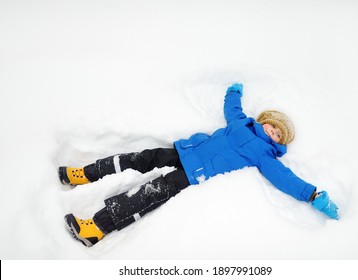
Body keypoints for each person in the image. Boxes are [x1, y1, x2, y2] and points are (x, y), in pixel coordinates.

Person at [59, 83, 339, 247]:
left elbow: (284, 178)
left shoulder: (264, 154)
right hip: (184, 151)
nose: (273, 132)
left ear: (279, 143)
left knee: (148, 194)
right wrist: (234, 90)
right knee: (138, 158)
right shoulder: (241, 122)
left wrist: (313, 195)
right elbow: (232, 109)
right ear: (265, 119)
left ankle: (96, 228)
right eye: (273, 126)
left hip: (195, 175)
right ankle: (85, 174)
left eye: (279, 135)